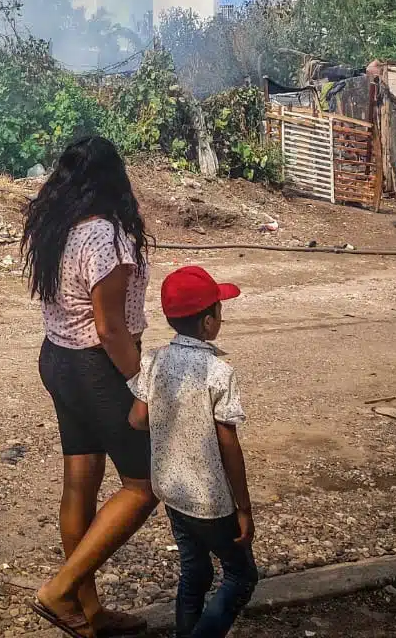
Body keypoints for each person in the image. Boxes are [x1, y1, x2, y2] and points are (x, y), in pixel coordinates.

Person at [24, 135, 158, 638]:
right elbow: (110, 327)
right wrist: (140, 381)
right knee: (144, 485)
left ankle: (85, 613)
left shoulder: (58, 228)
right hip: (95, 367)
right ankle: (60, 590)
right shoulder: (106, 235)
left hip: (57, 359)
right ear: (113, 179)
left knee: (81, 481)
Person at [130, 267, 256, 638]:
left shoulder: (153, 360)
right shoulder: (218, 371)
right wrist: (244, 506)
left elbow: (137, 419)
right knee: (241, 576)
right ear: (207, 323)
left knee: (194, 570)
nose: (221, 316)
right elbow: (228, 444)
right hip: (211, 500)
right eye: (219, 310)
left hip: (170, 489)